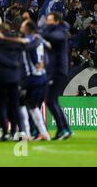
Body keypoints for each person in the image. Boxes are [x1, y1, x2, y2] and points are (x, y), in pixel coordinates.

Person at [41, 12, 72, 140]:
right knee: (53, 101)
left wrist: (41, 32)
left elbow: (56, 37)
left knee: (50, 100)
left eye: (50, 20)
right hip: (54, 70)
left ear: (57, 21)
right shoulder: (56, 30)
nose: (48, 23)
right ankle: (65, 129)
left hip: (58, 71)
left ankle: (62, 129)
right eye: (47, 20)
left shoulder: (61, 31)